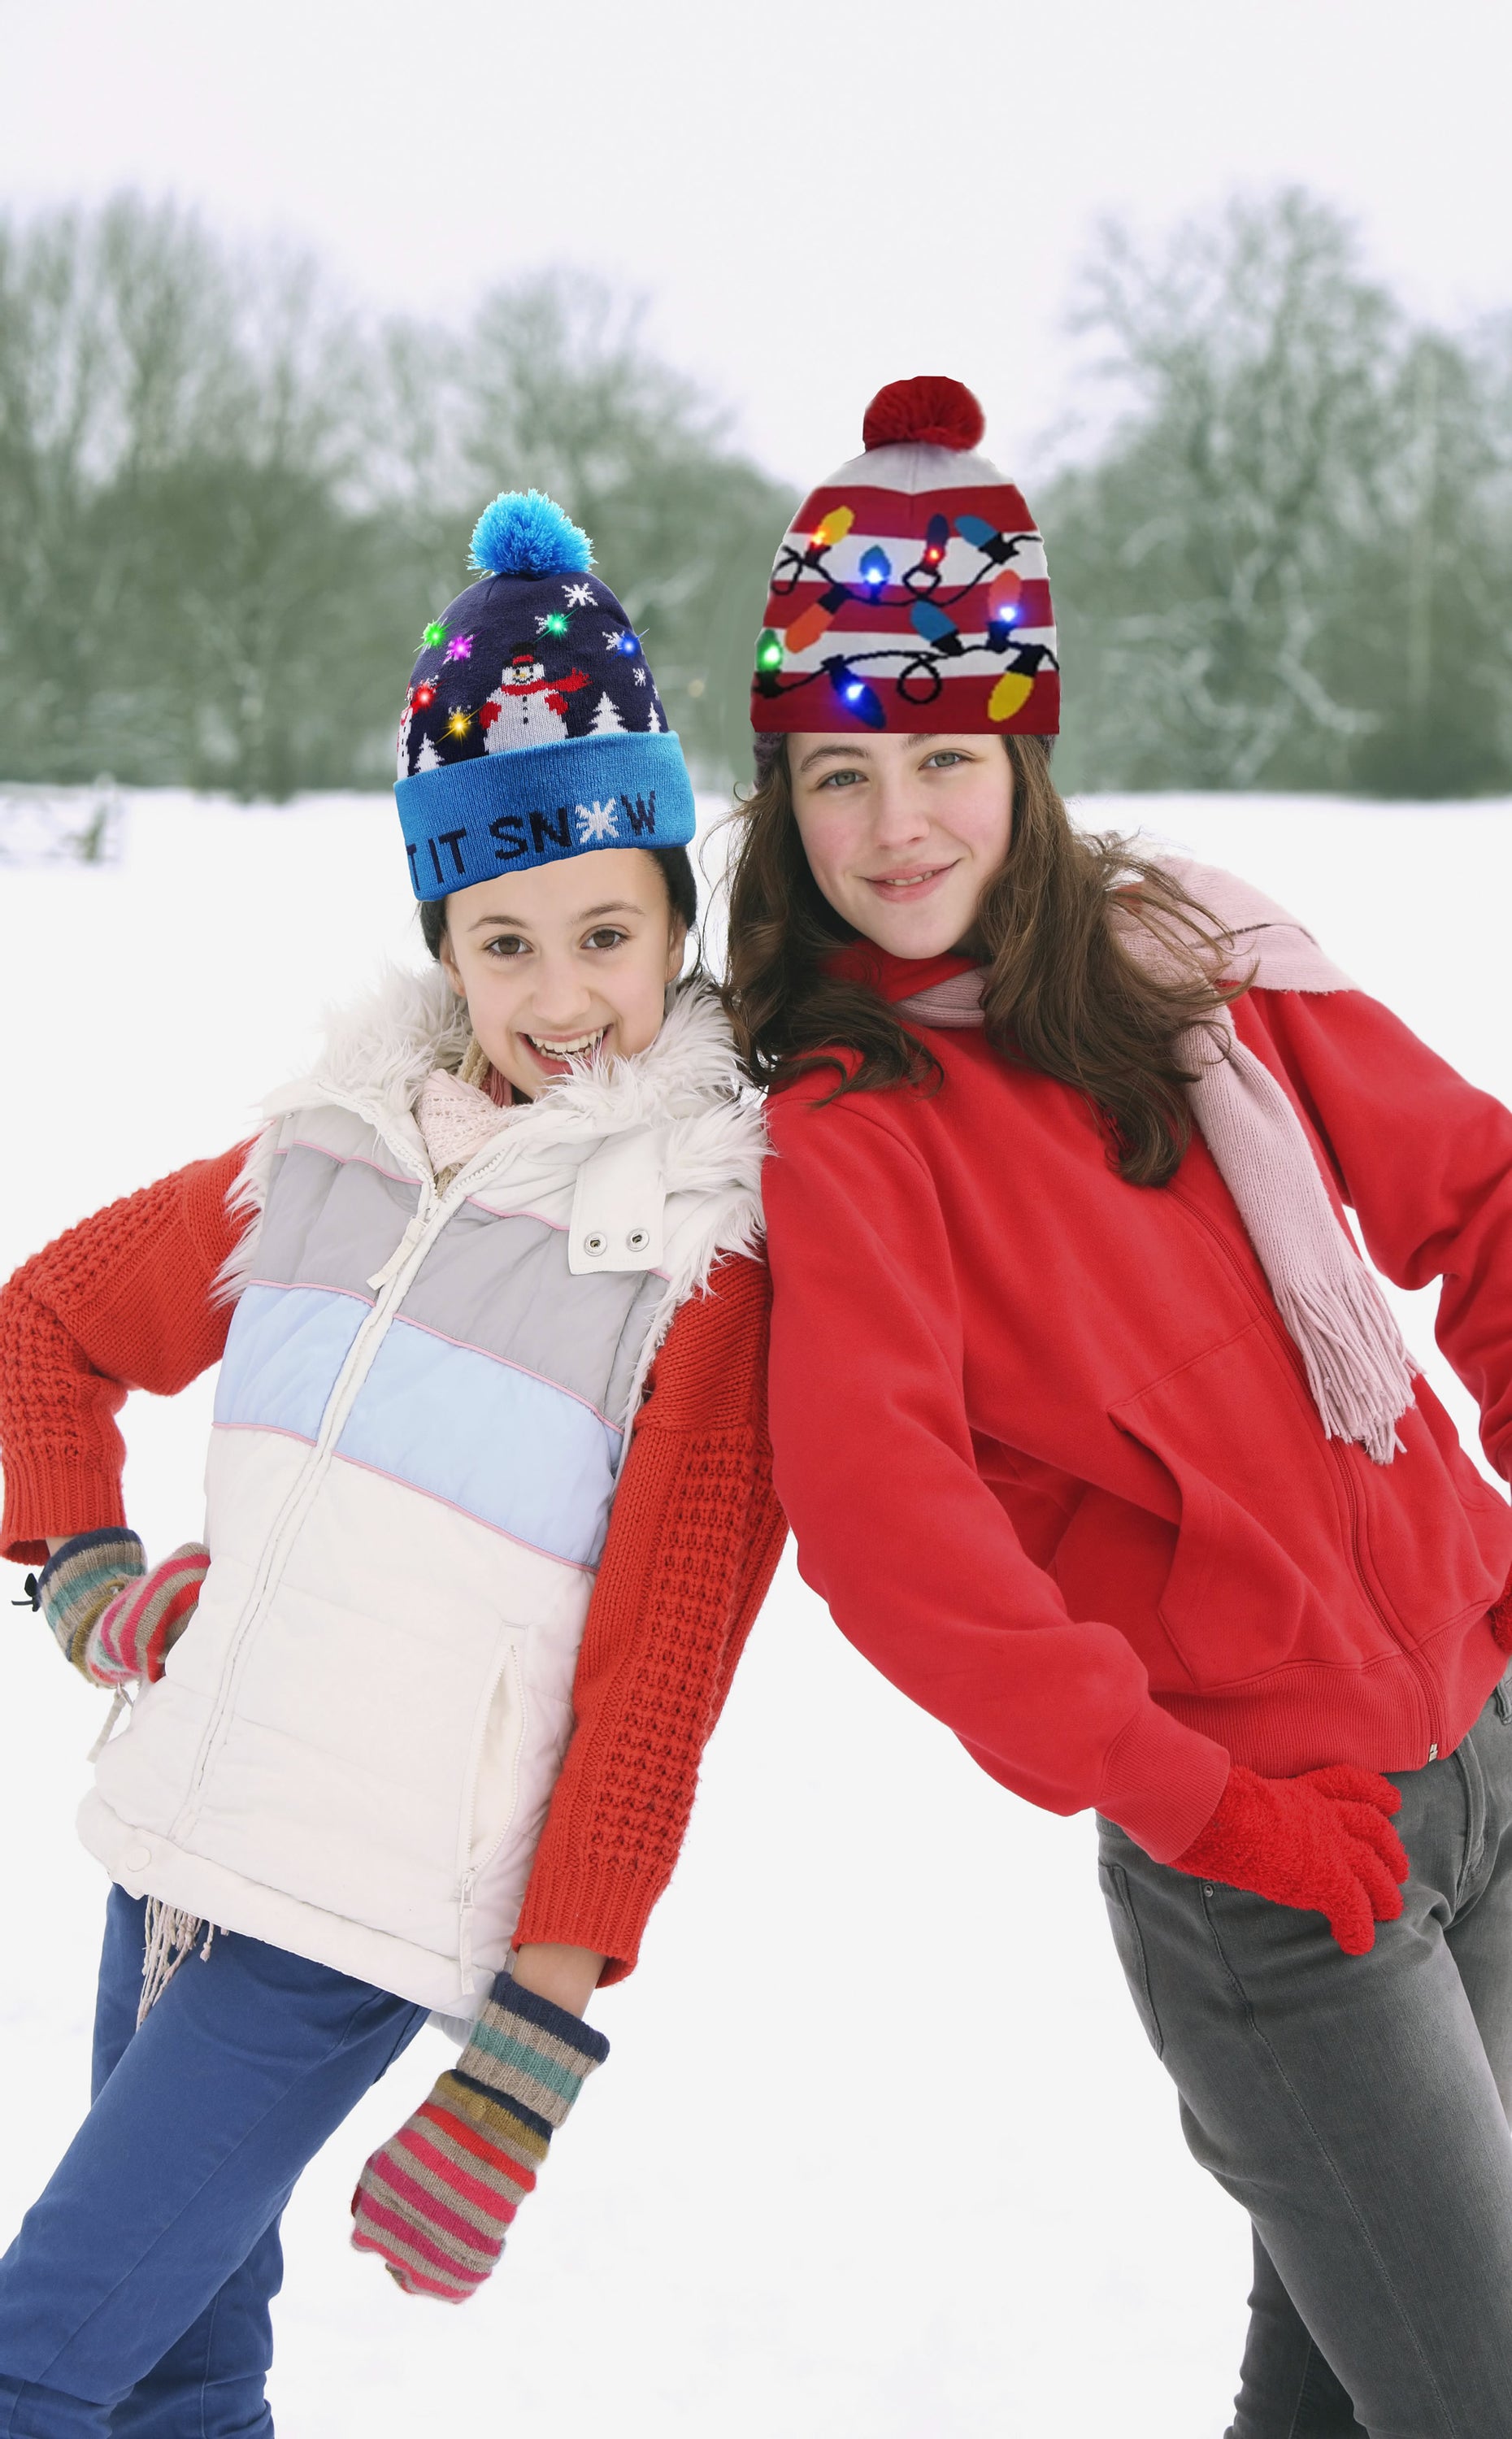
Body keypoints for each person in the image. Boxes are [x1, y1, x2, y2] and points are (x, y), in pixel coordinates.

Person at [723, 375, 1512, 2437]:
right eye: (836, 775)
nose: (896, 826)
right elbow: (889, 1528)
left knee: (1349, 2392)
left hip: (1483, 1759)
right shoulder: (851, 1122)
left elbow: (1485, 1197)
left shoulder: (1198, 964)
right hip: (1270, 1863)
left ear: (1027, 752)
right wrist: (1199, 1799)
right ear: (783, 801)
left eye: (944, 758)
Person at [0, 489, 784, 2432]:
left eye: (606, 931)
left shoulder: (705, 1261)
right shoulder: (321, 1157)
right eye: (501, 941)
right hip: (182, 1840)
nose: (560, 997)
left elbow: (659, 1675)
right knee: (179, 2369)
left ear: (678, 914)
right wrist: (87, 1575)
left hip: (357, 1915)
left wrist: (536, 2036)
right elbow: (39, 1328)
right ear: (444, 939)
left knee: (35, 2358)